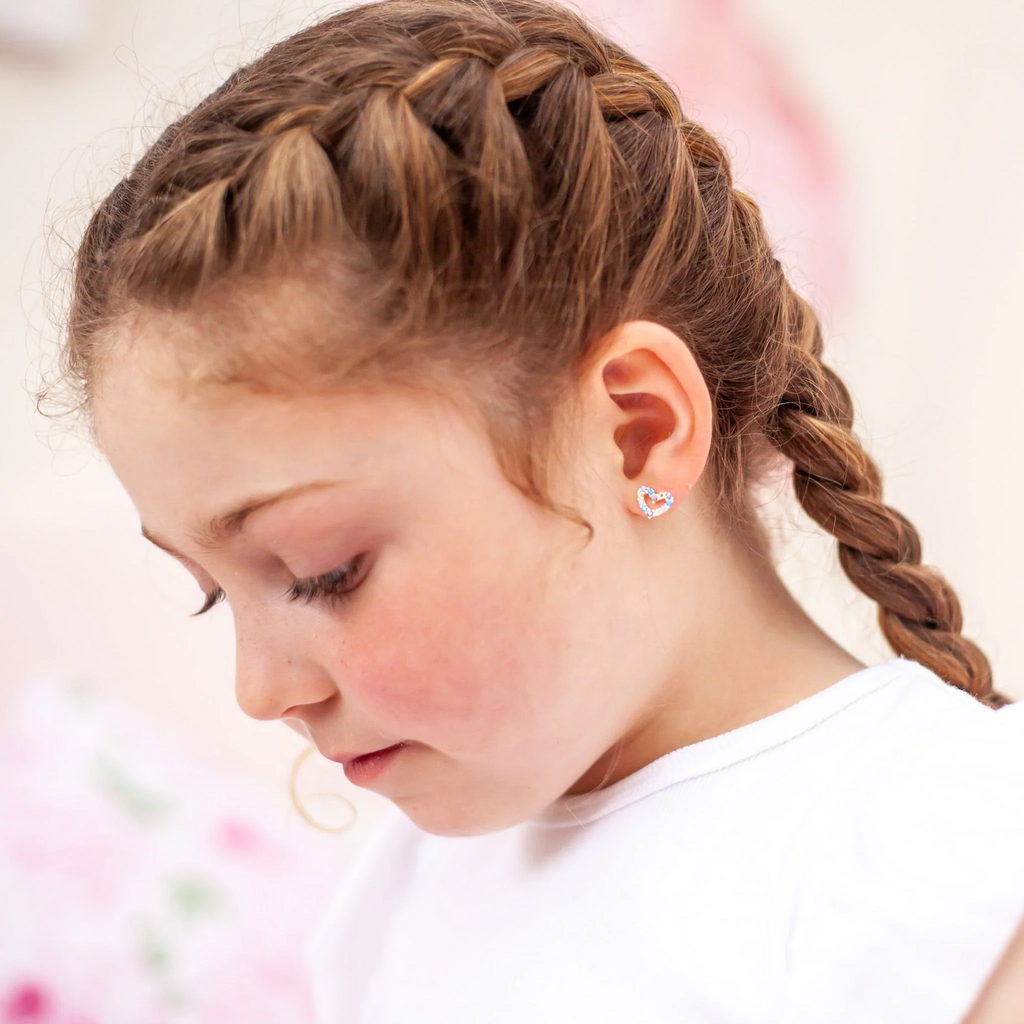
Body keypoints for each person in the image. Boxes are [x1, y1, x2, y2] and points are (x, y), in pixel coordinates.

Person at [51, 0, 1024, 1020]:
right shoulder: (400, 894)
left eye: (322, 568)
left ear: (638, 432)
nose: (261, 691)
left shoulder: (950, 849)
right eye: (213, 594)